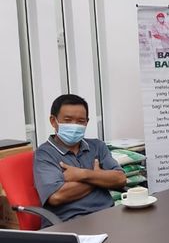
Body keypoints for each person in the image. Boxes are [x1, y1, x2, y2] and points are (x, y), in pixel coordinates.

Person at [33, 94, 127, 225]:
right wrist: (100, 177)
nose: (74, 125)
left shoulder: (97, 146)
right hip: (70, 222)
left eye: (80, 121)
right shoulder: (44, 153)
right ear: (53, 121)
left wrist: (83, 174)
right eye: (67, 120)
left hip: (106, 216)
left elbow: (120, 179)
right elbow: (57, 196)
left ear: (87, 122)